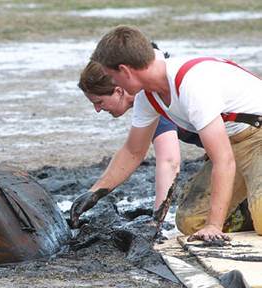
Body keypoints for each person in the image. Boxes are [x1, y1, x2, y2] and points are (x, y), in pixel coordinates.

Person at [70, 25, 262, 242]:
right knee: (190, 222)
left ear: (125, 70)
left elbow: (223, 161)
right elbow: (133, 152)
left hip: (257, 137)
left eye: (112, 76)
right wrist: (96, 192)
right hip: (232, 145)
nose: (114, 83)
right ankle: (249, 206)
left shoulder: (191, 85)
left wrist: (214, 225)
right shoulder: (147, 97)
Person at [78, 60, 181, 211]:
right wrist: (93, 193)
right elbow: (133, 152)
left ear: (119, 91)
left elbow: (169, 161)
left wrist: (157, 220)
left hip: (226, 148)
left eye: (99, 102)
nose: (97, 109)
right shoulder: (144, 101)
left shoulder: (152, 97)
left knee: (190, 222)